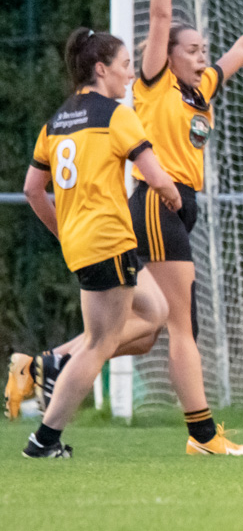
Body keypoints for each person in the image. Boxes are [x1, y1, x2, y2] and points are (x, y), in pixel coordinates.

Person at [28, 0, 243, 455]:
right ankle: (203, 435)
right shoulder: (153, 84)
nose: (202, 55)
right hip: (157, 205)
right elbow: (160, 16)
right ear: (168, 56)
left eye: (204, 48)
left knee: (154, 325)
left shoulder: (200, 87)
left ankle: (54, 362)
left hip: (181, 207)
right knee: (182, 327)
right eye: (192, 48)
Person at [18, 28, 183, 458]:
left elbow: (33, 190)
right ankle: (44, 440)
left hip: (93, 244)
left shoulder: (55, 122)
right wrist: (173, 197)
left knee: (154, 315)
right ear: (101, 69)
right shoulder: (115, 114)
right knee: (99, 345)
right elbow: (157, 175)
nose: (130, 75)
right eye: (126, 66)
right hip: (109, 241)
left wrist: (64, 232)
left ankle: (56, 361)